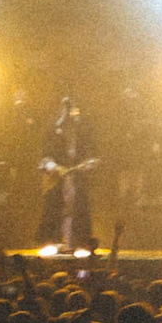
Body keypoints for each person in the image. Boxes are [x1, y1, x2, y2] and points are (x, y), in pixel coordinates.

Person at [39, 95, 97, 251]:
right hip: (58, 177)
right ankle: (54, 240)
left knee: (78, 207)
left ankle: (78, 241)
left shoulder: (83, 131)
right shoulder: (53, 131)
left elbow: (91, 153)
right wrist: (53, 166)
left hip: (76, 175)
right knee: (55, 206)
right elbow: (45, 154)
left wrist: (88, 163)